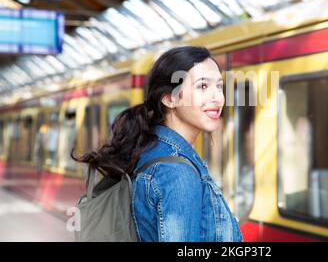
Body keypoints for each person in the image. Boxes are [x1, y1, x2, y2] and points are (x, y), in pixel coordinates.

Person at [72, 46, 243, 242]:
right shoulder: (177, 172)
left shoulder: (151, 149)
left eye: (219, 86)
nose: (217, 98)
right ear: (169, 99)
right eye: (203, 86)